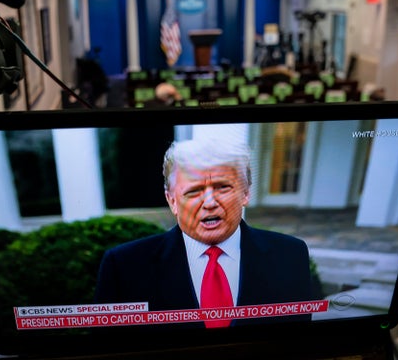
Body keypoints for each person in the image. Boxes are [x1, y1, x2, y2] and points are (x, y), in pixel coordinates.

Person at [93, 138, 314, 328]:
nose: (209, 202)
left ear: (245, 193)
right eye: (194, 191)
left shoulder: (291, 255)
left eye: (222, 187)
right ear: (172, 201)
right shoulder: (123, 267)